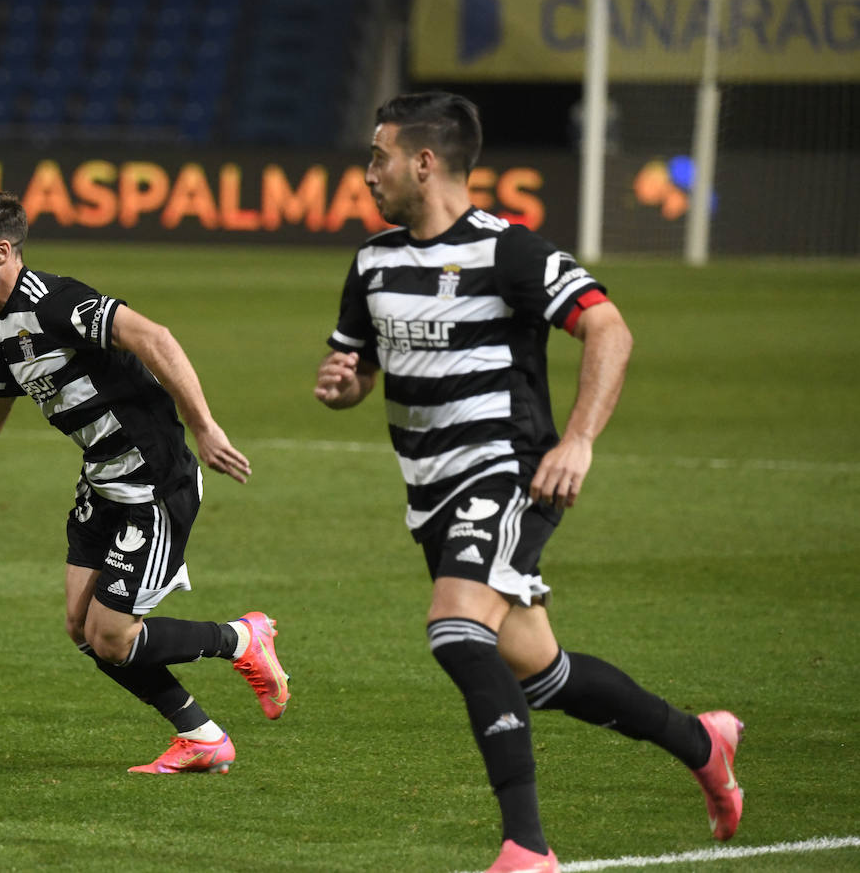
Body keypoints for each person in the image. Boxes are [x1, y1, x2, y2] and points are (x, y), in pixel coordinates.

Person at [313, 93, 741, 872]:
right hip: (429, 492)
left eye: (378, 156)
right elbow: (360, 369)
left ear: (424, 162)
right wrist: (346, 384)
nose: (368, 172)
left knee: (455, 630)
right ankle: (701, 742)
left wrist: (577, 441)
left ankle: (527, 847)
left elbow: (609, 328)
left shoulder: (509, 251)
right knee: (541, 674)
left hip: (509, 473)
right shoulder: (373, 260)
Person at [0, 190, 289, 773]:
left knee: (112, 636)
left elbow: (154, 337)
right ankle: (202, 736)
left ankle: (241, 639)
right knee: (82, 629)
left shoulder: (56, 302)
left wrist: (203, 428)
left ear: (1, 251)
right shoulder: (5, 333)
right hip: (102, 483)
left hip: (152, 483)